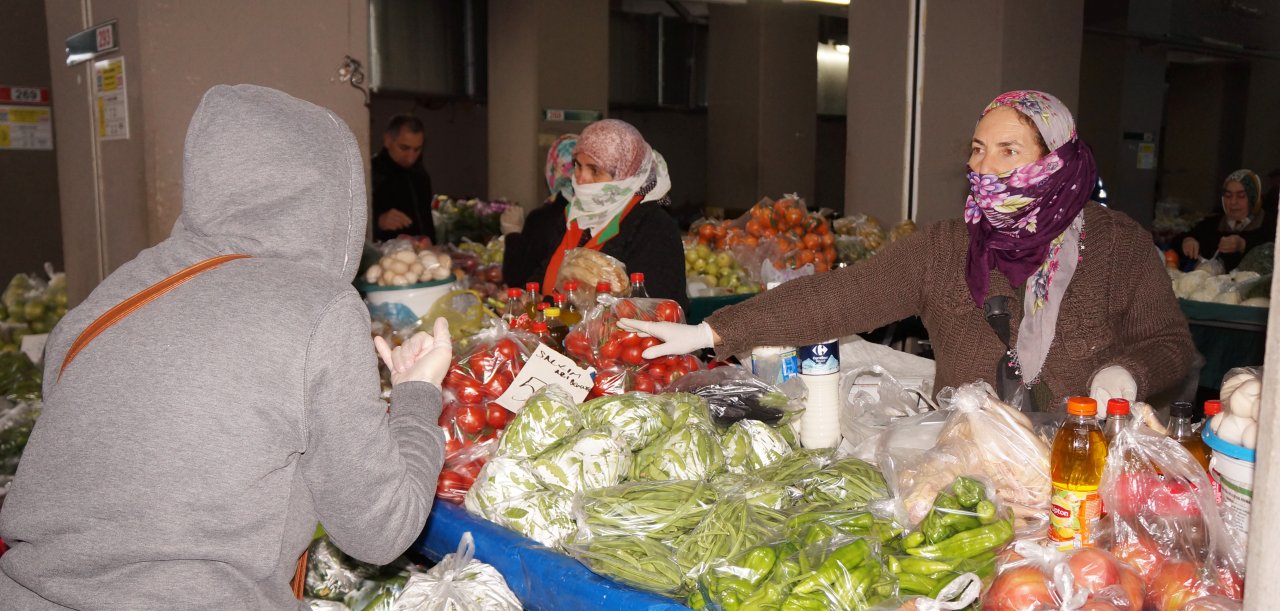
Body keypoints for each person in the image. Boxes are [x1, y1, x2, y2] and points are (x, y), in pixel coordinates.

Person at [0, 85, 452, 611]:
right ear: (337, 196)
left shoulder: (105, 302)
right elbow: (379, 529)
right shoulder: (315, 308)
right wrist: (415, 399)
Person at [623, 90, 1194, 411]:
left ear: (1057, 162)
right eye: (976, 150)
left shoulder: (1119, 246)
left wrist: (1128, 372)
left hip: (1079, 471)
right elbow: (839, 297)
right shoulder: (947, 250)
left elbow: (1169, 344)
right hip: (964, 472)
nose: (981, 167)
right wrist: (713, 332)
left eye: (1006, 151)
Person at [519, 119, 688, 310]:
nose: (581, 178)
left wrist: (552, 306)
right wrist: (529, 295)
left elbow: (647, 305)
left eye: (594, 170)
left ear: (626, 173)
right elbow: (548, 270)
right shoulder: (575, 216)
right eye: (578, 165)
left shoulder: (654, 228)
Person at [502, 133, 578, 288]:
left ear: (552, 169)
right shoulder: (598, 214)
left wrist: (512, 233)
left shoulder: (544, 218)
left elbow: (517, 278)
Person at [1180, 169, 1276, 272]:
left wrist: (1244, 245)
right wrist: (1188, 240)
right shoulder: (1214, 223)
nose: (1233, 202)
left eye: (1241, 196)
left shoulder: (1272, 224)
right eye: (1228, 195)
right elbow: (1180, 239)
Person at [372, 113, 437, 241]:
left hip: (420, 254)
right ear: (387, 140)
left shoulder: (421, 175)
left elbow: (427, 221)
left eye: (417, 149)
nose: (411, 157)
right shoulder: (370, 174)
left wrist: (431, 246)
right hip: (383, 256)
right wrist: (378, 221)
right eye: (404, 148)